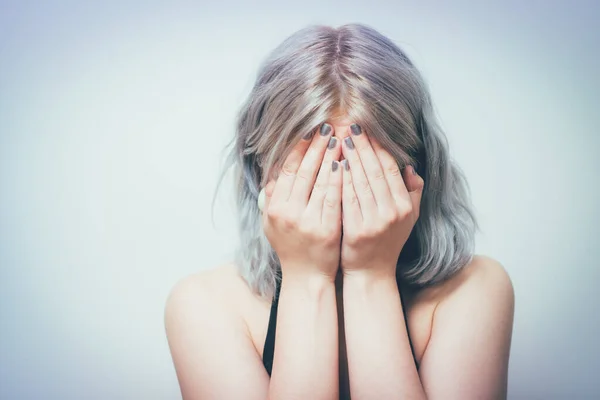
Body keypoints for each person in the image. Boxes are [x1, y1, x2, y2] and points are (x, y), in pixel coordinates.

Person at [164, 23, 515, 400]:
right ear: (260, 172)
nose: (338, 194)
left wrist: (369, 275)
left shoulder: (474, 288)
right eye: (314, 171)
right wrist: (306, 278)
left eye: (367, 170)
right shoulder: (204, 306)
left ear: (416, 171)